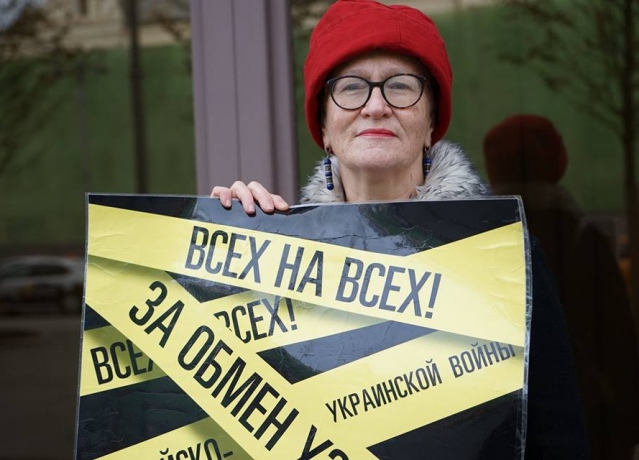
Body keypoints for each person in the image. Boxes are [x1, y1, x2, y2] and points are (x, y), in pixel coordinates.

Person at [211, 0, 589, 457]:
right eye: (351, 87)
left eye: (400, 86)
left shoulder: (501, 255)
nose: (376, 106)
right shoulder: (273, 259)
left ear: (430, 124)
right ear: (324, 127)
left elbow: (558, 436)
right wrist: (222, 252)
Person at [483, 114, 639, 460]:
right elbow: (620, 347)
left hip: (499, 427)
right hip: (591, 425)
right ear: (557, 162)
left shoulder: (478, 246)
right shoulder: (586, 241)